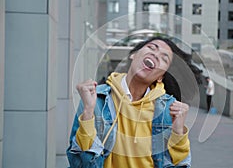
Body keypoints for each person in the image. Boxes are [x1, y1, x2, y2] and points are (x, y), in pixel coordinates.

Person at [67, 37, 191, 168]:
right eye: (151, 47)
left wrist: (179, 132)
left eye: (164, 58)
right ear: (133, 54)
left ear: (161, 77)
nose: (155, 54)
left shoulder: (169, 109)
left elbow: (180, 165)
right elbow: (78, 163)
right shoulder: (96, 98)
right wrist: (88, 112)